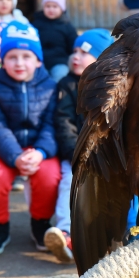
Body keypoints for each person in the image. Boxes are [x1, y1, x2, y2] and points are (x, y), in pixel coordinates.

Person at [0, 21, 61, 255]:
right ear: (2, 60)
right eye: (12, 57)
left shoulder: (51, 87)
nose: (19, 63)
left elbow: (51, 124)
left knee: (49, 176)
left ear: (38, 60)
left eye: (26, 56)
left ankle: (40, 224)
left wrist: (40, 152)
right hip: (7, 150)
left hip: (40, 148)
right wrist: (15, 156)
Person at [47, 29, 114, 263]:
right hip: (76, 154)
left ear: (101, 58)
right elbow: (63, 122)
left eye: (84, 52)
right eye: (74, 51)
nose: (75, 56)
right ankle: (67, 234)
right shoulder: (66, 85)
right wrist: (76, 153)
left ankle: (115, 236)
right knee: (70, 184)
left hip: (106, 155)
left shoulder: (110, 85)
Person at [30, 0, 78, 82]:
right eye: (48, 6)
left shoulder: (67, 26)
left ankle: (60, 95)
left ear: (61, 8)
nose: (51, 9)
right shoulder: (36, 24)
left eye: (55, 6)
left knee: (60, 76)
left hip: (60, 62)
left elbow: (73, 47)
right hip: (39, 61)